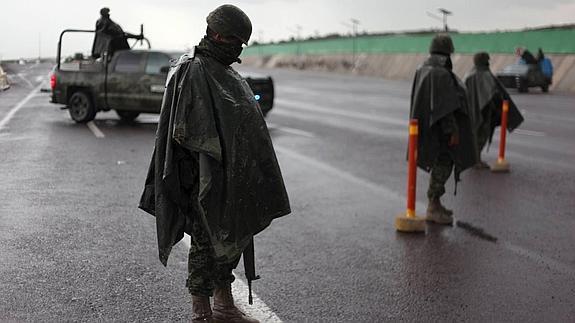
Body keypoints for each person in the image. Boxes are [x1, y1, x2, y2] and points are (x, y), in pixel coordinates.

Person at [138, 4, 290, 323]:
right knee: (207, 244)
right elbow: (191, 132)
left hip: (230, 177)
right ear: (218, 35)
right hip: (202, 176)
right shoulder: (194, 69)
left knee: (230, 240)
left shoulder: (223, 68)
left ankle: (223, 303)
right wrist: (209, 173)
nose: (238, 50)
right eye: (236, 41)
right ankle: (201, 310)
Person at [409, 34, 477, 225]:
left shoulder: (423, 69)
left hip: (428, 128)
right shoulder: (440, 73)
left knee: (440, 163)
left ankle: (436, 203)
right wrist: (453, 131)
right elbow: (444, 107)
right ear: (447, 53)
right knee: (444, 163)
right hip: (441, 131)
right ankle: (433, 205)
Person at [464, 52, 524, 168]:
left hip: (472, 111)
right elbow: (493, 93)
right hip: (485, 111)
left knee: (474, 136)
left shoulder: (469, 74)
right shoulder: (485, 75)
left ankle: (474, 159)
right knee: (481, 135)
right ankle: (476, 160)